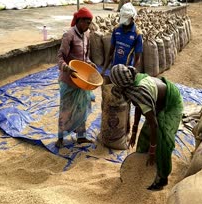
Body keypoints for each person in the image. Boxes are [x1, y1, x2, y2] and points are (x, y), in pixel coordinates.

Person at [109, 64, 184, 191]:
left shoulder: (139, 91)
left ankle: (162, 179)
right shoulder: (133, 85)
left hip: (170, 103)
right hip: (157, 102)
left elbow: (154, 124)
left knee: (162, 139)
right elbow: (138, 106)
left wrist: (153, 151)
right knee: (144, 136)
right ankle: (143, 169)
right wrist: (134, 131)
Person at [56, 7, 96, 148]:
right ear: (79, 21)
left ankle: (81, 137)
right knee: (66, 109)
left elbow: (86, 58)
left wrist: (91, 64)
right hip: (69, 80)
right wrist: (66, 68)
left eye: (90, 22)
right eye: (86, 22)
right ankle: (60, 138)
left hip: (81, 80)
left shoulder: (87, 36)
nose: (88, 25)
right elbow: (60, 57)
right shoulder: (69, 35)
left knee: (81, 108)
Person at [101, 2, 143, 79]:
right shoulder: (116, 29)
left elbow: (137, 59)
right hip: (114, 69)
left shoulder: (137, 34)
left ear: (133, 18)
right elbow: (110, 52)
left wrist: (132, 74)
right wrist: (104, 70)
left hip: (127, 72)